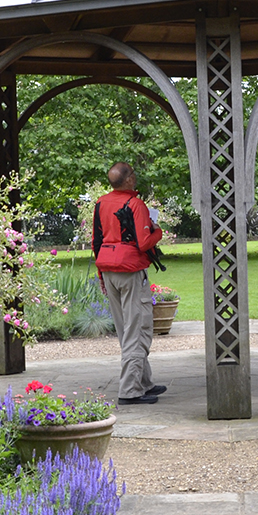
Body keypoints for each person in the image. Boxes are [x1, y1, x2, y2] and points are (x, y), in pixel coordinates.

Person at [93, 161, 168, 404]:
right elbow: (144, 242)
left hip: (108, 268)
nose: (135, 177)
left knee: (126, 329)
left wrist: (101, 273)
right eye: (133, 174)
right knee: (138, 329)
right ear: (128, 180)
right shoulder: (135, 204)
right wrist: (159, 232)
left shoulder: (101, 203)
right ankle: (130, 391)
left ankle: (143, 382)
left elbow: (97, 239)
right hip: (131, 270)